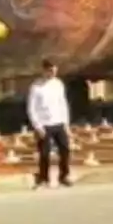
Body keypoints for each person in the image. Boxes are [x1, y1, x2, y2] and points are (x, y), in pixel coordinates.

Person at [27, 58, 73, 188]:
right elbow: (31, 108)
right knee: (44, 153)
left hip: (58, 122)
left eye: (55, 69)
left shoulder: (58, 84)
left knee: (65, 149)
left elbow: (62, 104)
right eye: (50, 70)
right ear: (44, 70)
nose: (53, 72)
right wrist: (37, 126)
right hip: (44, 124)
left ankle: (64, 176)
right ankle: (43, 178)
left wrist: (66, 123)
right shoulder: (36, 86)